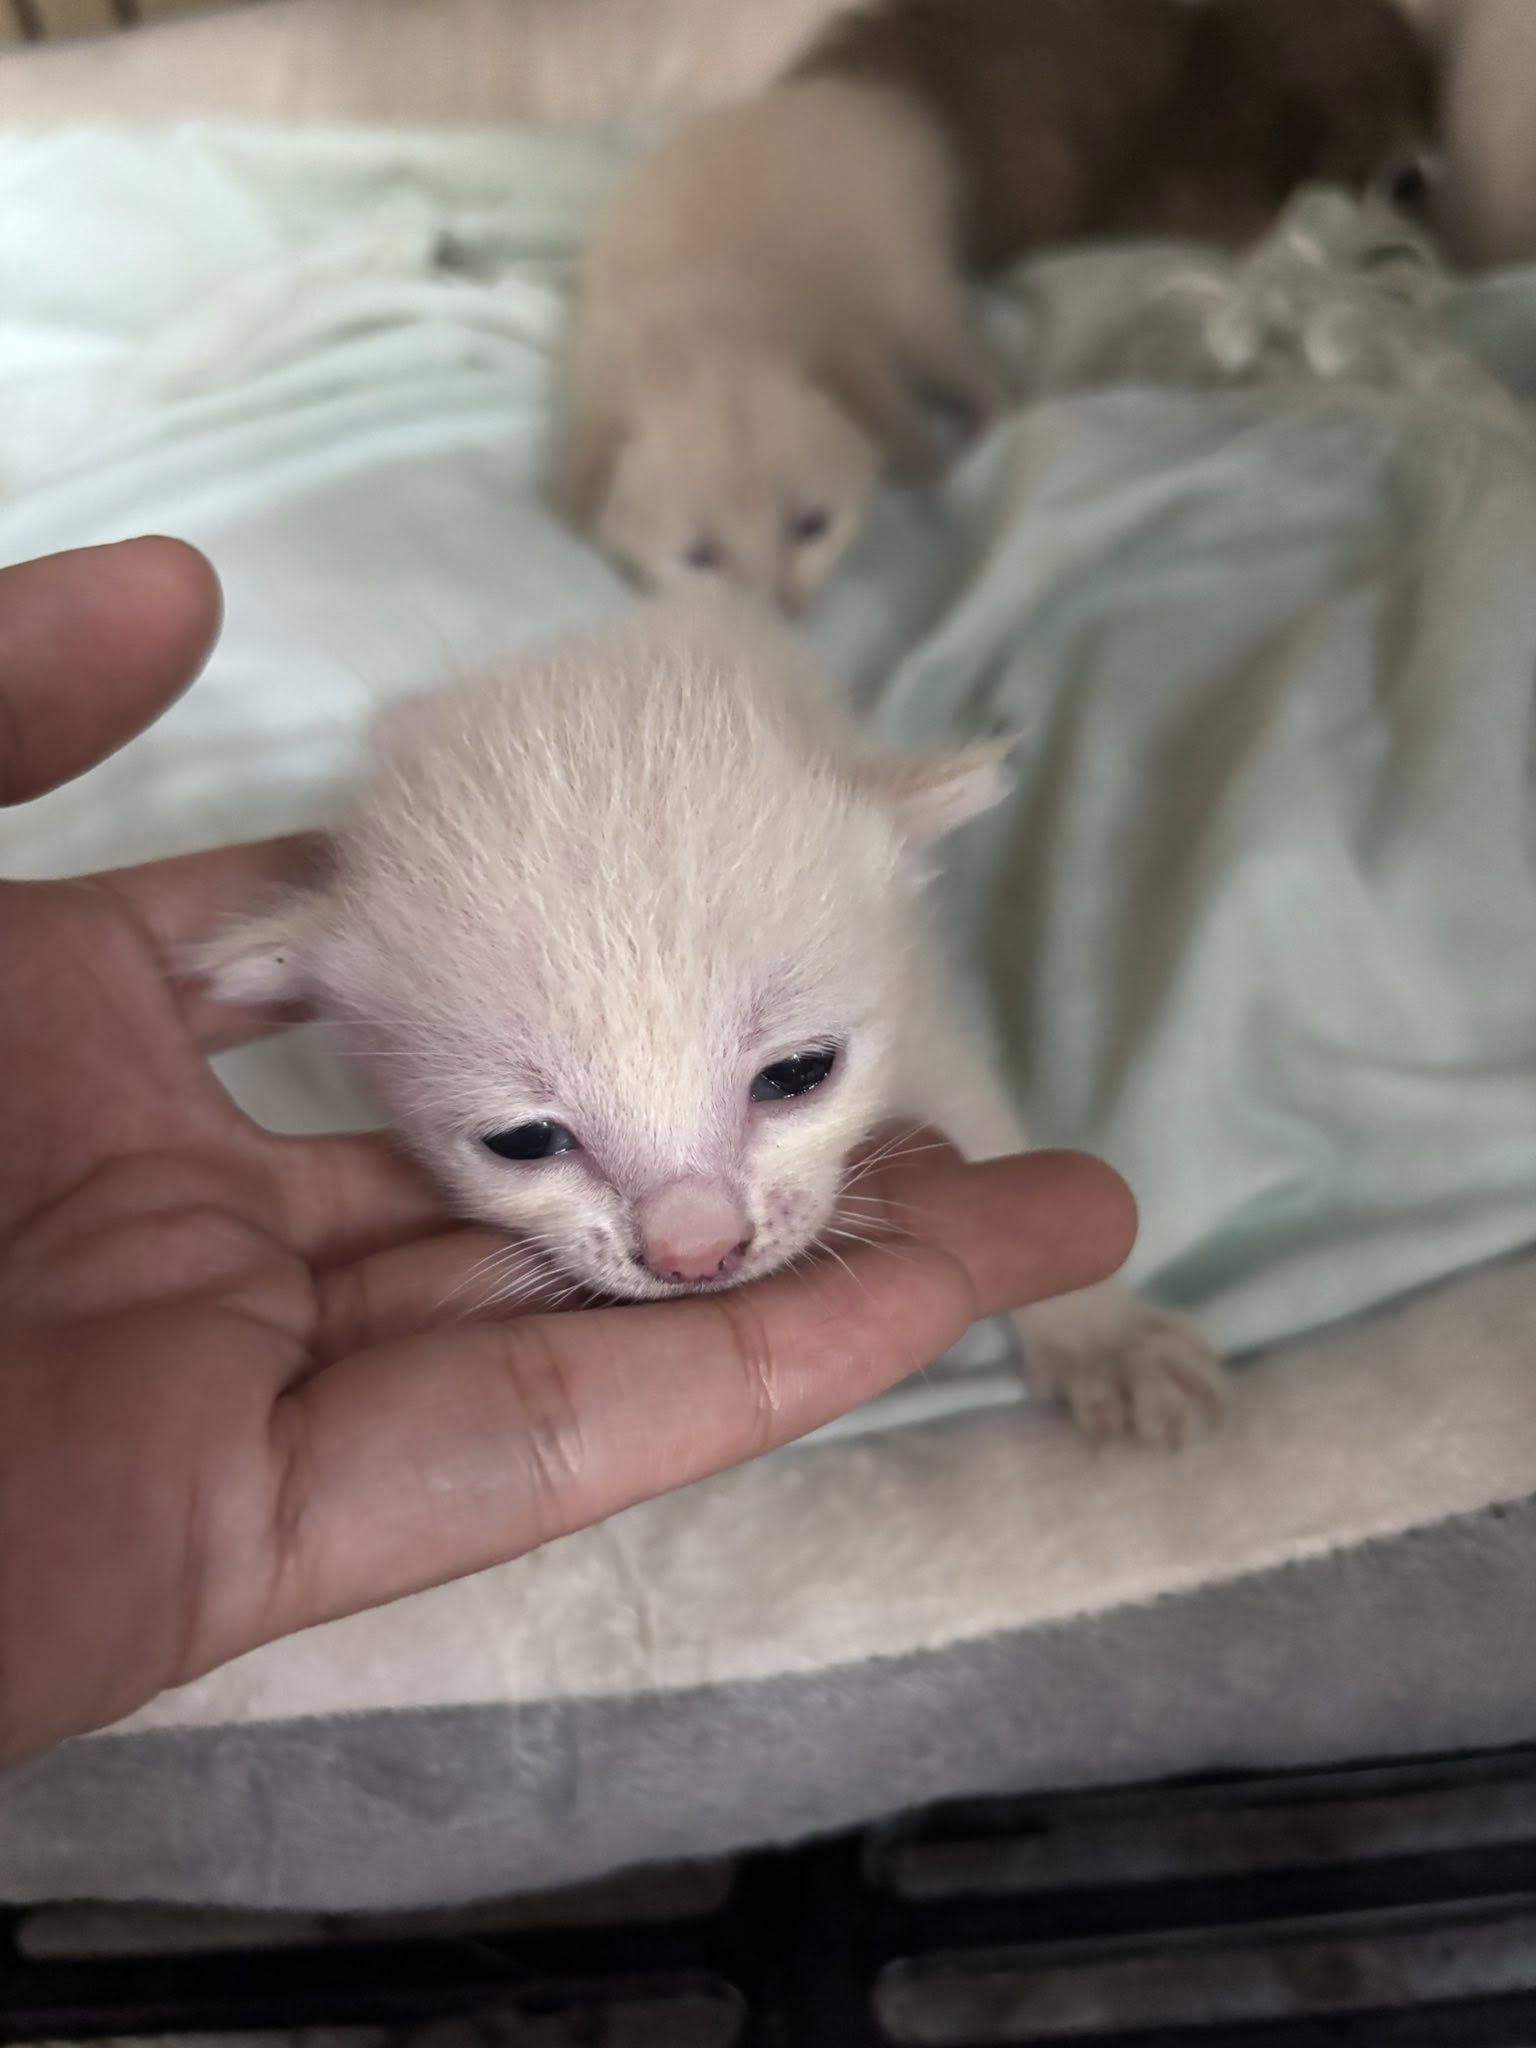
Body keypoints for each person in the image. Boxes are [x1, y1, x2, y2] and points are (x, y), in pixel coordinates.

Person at [0, 536, 1136, 1769]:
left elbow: (945, 1078)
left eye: (794, 1073)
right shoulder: (380, 979)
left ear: (900, 858)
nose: (692, 1241)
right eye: (529, 1137)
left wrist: (1085, 1324)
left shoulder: (829, 855)